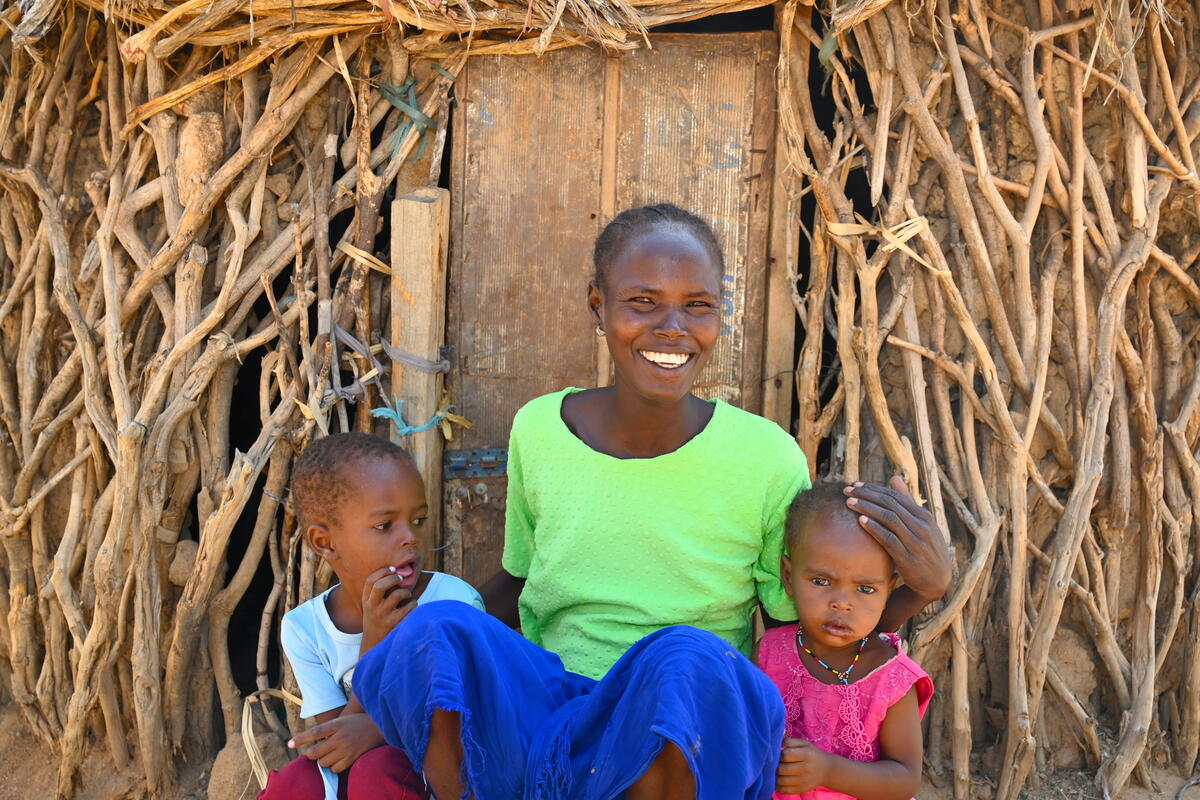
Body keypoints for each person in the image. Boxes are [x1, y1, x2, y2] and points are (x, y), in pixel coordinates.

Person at [349, 204, 952, 800]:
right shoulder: (539, 430)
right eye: (643, 301)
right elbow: (521, 580)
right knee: (440, 626)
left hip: (682, 728)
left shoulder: (766, 459)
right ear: (598, 305)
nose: (672, 326)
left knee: (684, 654)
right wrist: (414, 674)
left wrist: (915, 591)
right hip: (552, 705)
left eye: (698, 305)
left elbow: (808, 626)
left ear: (721, 314)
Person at [263, 433, 485, 800]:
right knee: (294, 783)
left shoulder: (452, 602)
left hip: (444, 777)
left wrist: (377, 729)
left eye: (418, 519)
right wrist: (375, 643)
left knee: (377, 766)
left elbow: (469, 717)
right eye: (385, 526)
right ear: (324, 542)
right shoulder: (304, 629)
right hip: (359, 777)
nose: (409, 537)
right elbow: (338, 746)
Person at [756, 483, 934, 799]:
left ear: (889, 590)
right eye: (821, 581)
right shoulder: (770, 653)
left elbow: (905, 778)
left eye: (865, 589)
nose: (842, 603)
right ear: (788, 576)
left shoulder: (892, 681)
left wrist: (826, 771)